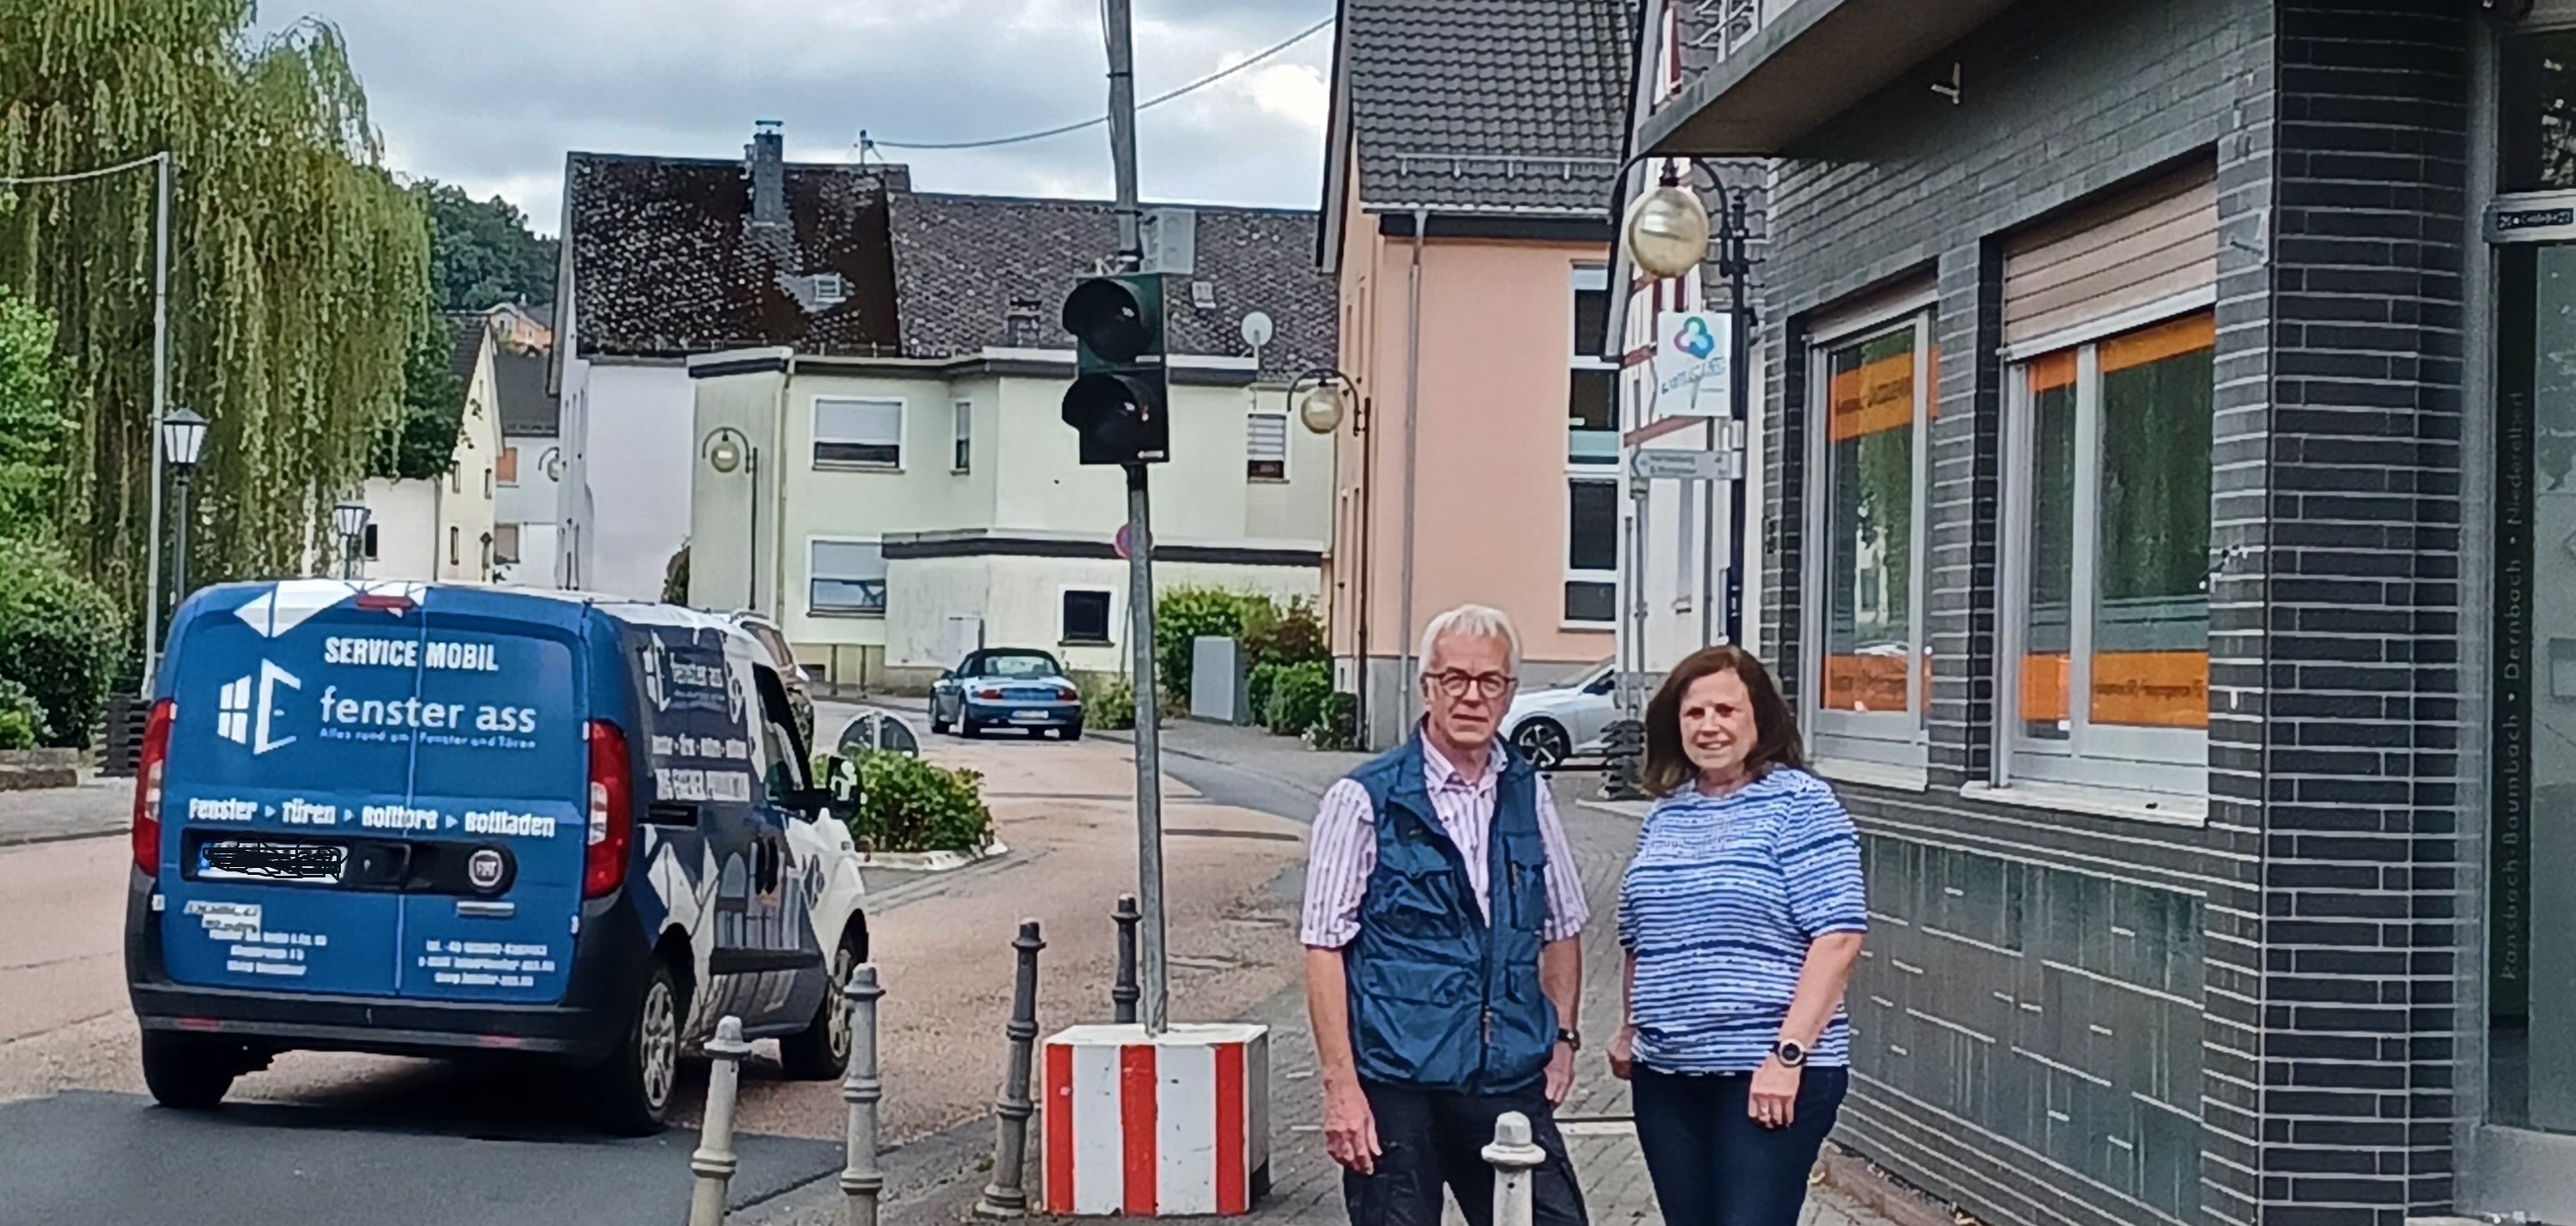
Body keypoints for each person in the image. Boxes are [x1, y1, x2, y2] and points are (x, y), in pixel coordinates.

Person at [1299, 604, 1592, 1226]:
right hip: (1397, 1081)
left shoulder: (1528, 790)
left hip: (1505, 1075)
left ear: (1510, 692)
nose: (1470, 697)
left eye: (1489, 682)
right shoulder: (1364, 799)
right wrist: (1341, 1090)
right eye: (1453, 679)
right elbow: (1323, 947)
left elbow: (1562, 927)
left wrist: (1563, 1041)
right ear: (1427, 686)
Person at [1610, 645, 1867, 1226]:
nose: (1710, 726)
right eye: (1694, 713)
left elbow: (1839, 937)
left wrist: (1787, 1056)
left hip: (1766, 1071)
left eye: (1726, 710)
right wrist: (1629, 1027)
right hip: (1667, 1074)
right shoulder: (1668, 813)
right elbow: (1639, 935)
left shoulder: (1801, 805)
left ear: (1760, 718)